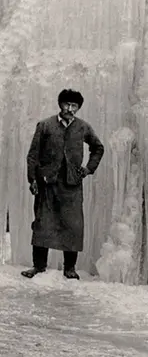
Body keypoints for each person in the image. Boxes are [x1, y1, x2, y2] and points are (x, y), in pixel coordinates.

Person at [22, 89, 105, 280]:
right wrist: (32, 179)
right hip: (47, 183)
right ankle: (38, 267)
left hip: (71, 185)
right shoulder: (45, 125)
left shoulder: (83, 127)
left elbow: (98, 148)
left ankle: (70, 268)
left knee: (73, 225)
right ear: (60, 104)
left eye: (74, 106)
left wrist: (88, 169)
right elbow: (33, 155)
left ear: (78, 108)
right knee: (42, 223)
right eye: (67, 104)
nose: (70, 109)